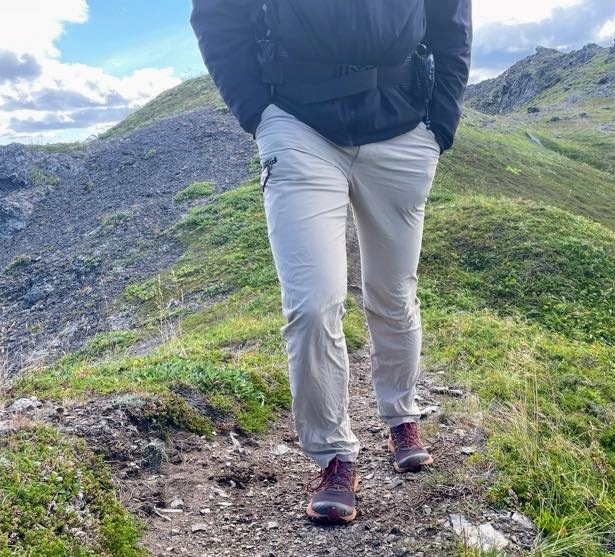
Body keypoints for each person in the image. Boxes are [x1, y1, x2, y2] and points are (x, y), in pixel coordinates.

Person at [191, 0, 472, 523]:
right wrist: (257, 111)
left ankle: (401, 417)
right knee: (313, 303)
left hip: (405, 128)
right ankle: (334, 456)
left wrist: (440, 125)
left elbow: (451, 22)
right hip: (298, 127)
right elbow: (217, 14)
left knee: (392, 291)